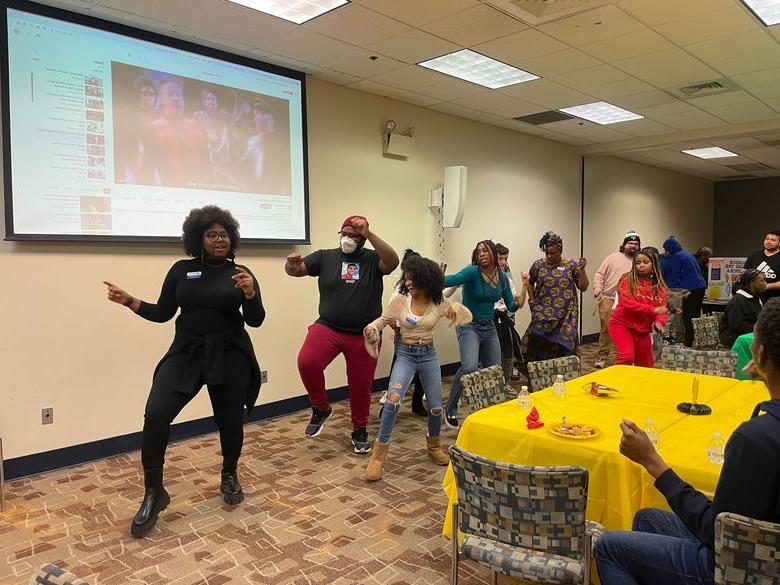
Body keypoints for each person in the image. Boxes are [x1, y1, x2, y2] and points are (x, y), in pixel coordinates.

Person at [102, 206, 265, 538]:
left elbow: (256, 319)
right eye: (211, 234)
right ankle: (154, 492)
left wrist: (250, 293)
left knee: (230, 421)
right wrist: (129, 301)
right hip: (187, 352)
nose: (219, 240)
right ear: (198, 238)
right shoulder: (181, 270)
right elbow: (163, 313)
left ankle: (229, 473)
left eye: (224, 234)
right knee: (156, 413)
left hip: (229, 353)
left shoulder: (241, 272)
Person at [594, 298, 780, 585]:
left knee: (609, 547)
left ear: (761, 354)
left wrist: (651, 461)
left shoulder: (755, 439)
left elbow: (717, 532)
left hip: (737, 569)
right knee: (647, 519)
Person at [286, 215, 399, 453]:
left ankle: (359, 430)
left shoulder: (371, 259)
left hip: (364, 333)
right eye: (344, 233)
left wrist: (370, 233)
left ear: (363, 239)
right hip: (328, 326)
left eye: (354, 235)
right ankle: (321, 408)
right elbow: (296, 271)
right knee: (307, 362)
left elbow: (393, 261)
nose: (347, 238)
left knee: (360, 385)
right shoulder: (325, 256)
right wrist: (292, 265)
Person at [363, 255, 472, 481]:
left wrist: (457, 312)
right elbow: (382, 321)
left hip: (428, 355)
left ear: (425, 278)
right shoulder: (400, 300)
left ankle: (434, 446)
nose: (408, 282)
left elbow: (459, 314)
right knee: (393, 400)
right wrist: (372, 329)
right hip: (406, 353)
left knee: (434, 407)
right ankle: (378, 456)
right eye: (407, 277)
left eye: (412, 277)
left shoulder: (437, 301)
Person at [442, 240, 521, 428]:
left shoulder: (501, 278)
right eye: (478, 251)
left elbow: (511, 305)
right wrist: (439, 275)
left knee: (493, 371)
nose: (481, 254)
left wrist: (520, 298)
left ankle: (486, 411)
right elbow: (450, 280)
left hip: (489, 326)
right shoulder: (471, 272)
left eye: (485, 250)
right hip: (468, 325)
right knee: (469, 366)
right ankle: (451, 408)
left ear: (493, 254)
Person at [522, 232, 589, 371]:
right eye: (547, 252)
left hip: (565, 316)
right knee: (535, 348)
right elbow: (529, 283)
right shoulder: (538, 265)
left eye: (552, 253)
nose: (549, 256)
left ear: (560, 250)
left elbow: (583, 287)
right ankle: (536, 376)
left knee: (562, 349)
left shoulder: (571, 265)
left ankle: (559, 378)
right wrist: (533, 303)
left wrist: (582, 270)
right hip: (542, 314)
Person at [378, 249, 429, 418]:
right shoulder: (402, 287)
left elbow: (438, 298)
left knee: (422, 368)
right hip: (404, 333)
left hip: (422, 334)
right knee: (398, 368)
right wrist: (395, 323)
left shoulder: (424, 285)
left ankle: (416, 403)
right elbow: (392, 309)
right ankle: (389, 406)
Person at [139, 78, 214, 188]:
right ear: (161, 100)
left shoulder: (197, 127)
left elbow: (208, 166)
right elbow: (147, 172)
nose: (175, 98)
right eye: (170, 94)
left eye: (179, 94)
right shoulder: (151, 129)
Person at [608, 247, 668, 368]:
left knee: (646, 364)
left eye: (645, 262)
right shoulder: (627, 279)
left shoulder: (658, 286)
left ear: (654, 264)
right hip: (621, 324)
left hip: (642, 329)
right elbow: (627, 302)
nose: (641, 265)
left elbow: (662, 308)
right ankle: (619, 382)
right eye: (638, 263)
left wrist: (659, 322)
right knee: (627, 356)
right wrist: (652, 310)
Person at [593, 230, 641, 369]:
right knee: (607, 329)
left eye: (636, 244)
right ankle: (602, 356)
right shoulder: (612, 258)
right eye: (630, 243)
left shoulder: (640, 261)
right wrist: (597, 288)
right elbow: (599, 274)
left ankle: (628, 358)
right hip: (609, 298)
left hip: (631, 300)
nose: (633, 246)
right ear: (624, 244)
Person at [662, 236, 707, 347]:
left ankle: (688, 342)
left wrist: (668, 289)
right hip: (701, 287)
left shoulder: (676, 257)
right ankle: (696, 341)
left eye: (666, 250)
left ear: (669, 249)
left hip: (690, 289)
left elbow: (675, 275)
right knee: (696, 316)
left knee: (687, 316)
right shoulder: (688, 254)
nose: (665, 253)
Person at [493, 243, 527, 384]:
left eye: (506, 259)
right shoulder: (478, 274)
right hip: (487, 320)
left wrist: (525, 286)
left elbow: (515, 305)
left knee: (507, 353)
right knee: (486, 359)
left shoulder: (506, 277)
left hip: (505, 318)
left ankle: (504, 383)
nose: (504, 262)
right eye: (500, 259)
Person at [719, 269, 766, 348]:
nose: (765, 283)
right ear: (752, 282)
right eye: (762, 280)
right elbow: (738, 326)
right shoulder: (737, 301)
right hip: (734, 338)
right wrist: (761, 329)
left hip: (750, 334)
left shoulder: (757, 297)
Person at [745, 230, 780, 301]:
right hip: (754, 299)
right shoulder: (754, 255)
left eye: (773, 240)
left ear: (779, 243)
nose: (769, 242)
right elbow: (745, 275)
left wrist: (766, 286)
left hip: (776, 300)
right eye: (767, 239)